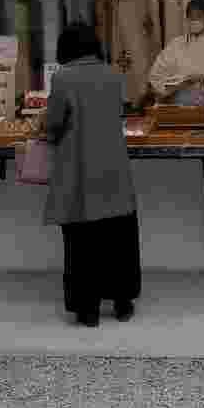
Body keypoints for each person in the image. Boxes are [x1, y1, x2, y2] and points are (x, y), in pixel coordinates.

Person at [42, 22, 141, 327]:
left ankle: (88, 310)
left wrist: (44, 129)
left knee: (82, 242)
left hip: (79, 170)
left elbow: (54, 124)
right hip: (114, 169)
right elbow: (119, 113)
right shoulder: (113, 75)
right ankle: (122, 303)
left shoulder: (63, 78)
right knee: (119, 238)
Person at [146, 0, 204, 106]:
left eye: (198, 16)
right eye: (191, 17)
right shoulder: (176, 43)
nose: (194, 20)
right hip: (174, 101)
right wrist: (173, 86)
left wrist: (203, 78)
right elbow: (156, 73)